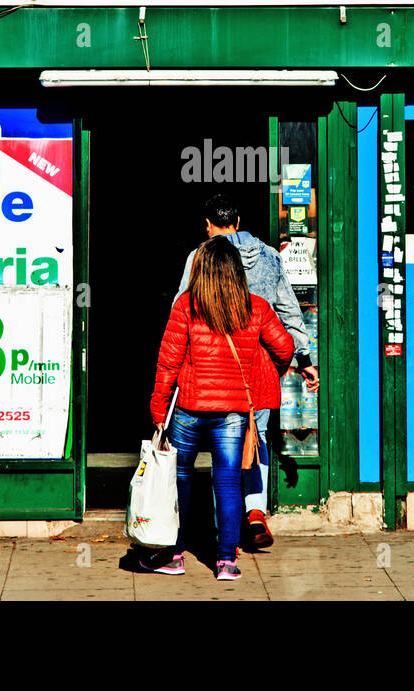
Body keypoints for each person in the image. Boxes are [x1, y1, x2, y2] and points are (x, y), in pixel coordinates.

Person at [174, 193, 320, 549]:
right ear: (238, 222)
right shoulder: (270, 257)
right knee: (256, 440)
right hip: (257, 368)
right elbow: (288, 311)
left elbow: (181, 311)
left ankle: (228, 536)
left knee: (223, 450)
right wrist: (304, 359)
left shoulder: (200, 257)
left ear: (210, 226)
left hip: (212, 368)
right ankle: (255, 510)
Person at [144, 238, 294, 580]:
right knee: (227, 483)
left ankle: (174, 555)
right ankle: (226, 561)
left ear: (202, 271)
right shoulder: (255, 308)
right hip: (233, 413)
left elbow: (167, 362)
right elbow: (284, 347)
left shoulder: (186, 306)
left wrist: (158, 405)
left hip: (188, 409)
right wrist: (265, 370)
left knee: (178, 480)